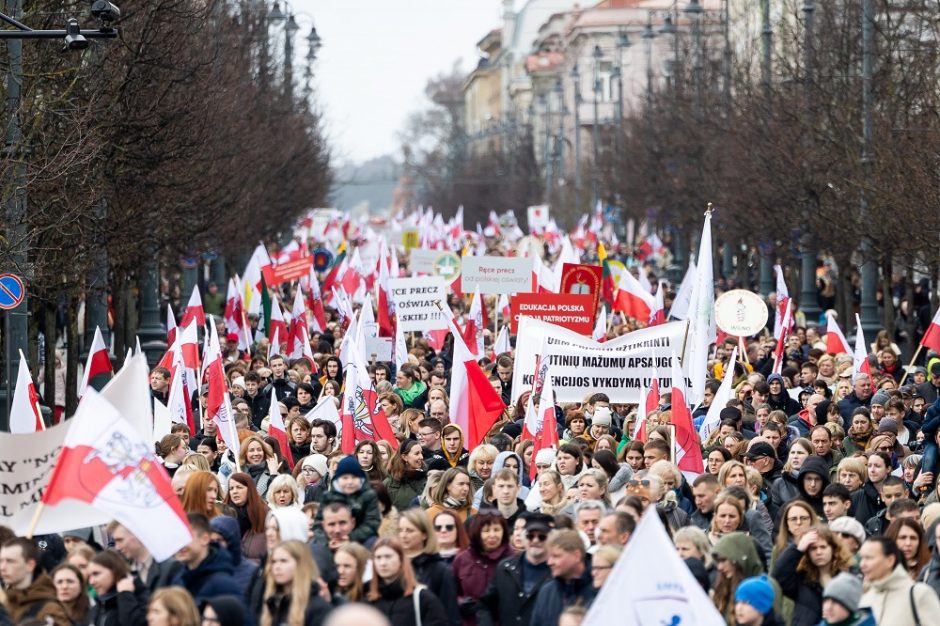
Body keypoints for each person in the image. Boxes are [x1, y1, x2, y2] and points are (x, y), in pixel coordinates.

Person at [771, 525, 852, 626]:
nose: (818, 552)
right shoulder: (802, 579)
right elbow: (778, 578)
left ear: (833, 549)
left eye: (823, 547)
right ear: (807, 552)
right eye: (813, 548)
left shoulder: (846, 577)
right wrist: (798, 549)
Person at [397, 509, 460, 626]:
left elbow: (450, 614)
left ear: (424, 534)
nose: (403, 535)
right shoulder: (394, 567)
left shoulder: (440, 570)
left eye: (410, 530)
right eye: (400, 530)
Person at [859, 536, 940, 625]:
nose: (863, 564)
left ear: (890, 560)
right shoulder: (865, 599)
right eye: (861, 558)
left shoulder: (919, 594)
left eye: (869, 558)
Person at [367, 538, 449, 626]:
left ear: (401, 560)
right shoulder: (368, 600)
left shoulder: (423, 599)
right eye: (378, 557)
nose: (382, 563)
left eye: (388, 557)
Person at [452, 510, 515, 626]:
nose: (492, 535)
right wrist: (460, 603)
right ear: (477, 532)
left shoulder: (514, 560)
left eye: (497, 530)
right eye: (486, 531)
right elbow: (451, 593)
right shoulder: (462, 559)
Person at [172, 513, 243, 606]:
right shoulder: (178, 579)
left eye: (186, 538)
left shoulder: (223, 585)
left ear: (205, 539)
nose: (180, 545)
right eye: (177, 539)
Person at [258, 540, 333, 626]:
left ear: (300, 564)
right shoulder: (272, 602)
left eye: (283, 561)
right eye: (274, 561)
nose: (277, 567)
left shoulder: (319, 608)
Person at [529, 529, 595, 626]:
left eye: (556, 556)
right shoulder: (547, 592)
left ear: (577, 555)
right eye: (549, 557)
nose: (549, 562)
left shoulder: (599, 590)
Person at [0, 537, 72, 625]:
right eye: (1, 561)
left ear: (30, 565)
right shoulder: (7, 604)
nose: (2, 567)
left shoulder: (50, 609)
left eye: (10, 561)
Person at [711, 532, 770, 623]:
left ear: (739, 558)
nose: (720, 567)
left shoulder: (764, 588)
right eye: (718, 562)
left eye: (723, 560)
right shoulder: (723, 587)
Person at [110, 522, 182, 594]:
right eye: (115, 541)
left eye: (120, 540)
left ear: (138, 535)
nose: (117, 547)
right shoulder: (125, 572)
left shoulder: (170, 567)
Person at [86, 549, 148, 626]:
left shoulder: (140, 597)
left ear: (114, 571)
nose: (91, 582)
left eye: (96, 574)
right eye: (89, 576)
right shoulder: (99, 606)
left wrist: (125, 594)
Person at [224, 472, 270, 562]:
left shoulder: (265, 513)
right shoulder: (224, 513)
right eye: (231, 488)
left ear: (250, 489)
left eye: (239, 487)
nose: (234, 491)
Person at [208, 515, 259, 596]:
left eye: (219, 540)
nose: (214, 544)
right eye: (211, 541)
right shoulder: (204, 569)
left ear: (231, 541)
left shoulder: (252, 572)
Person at [384, 439, 428, 511]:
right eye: (417, 454)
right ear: (405, 457)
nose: (421, 457)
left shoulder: (427, 478)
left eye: (421, 453)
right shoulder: (388, 484)